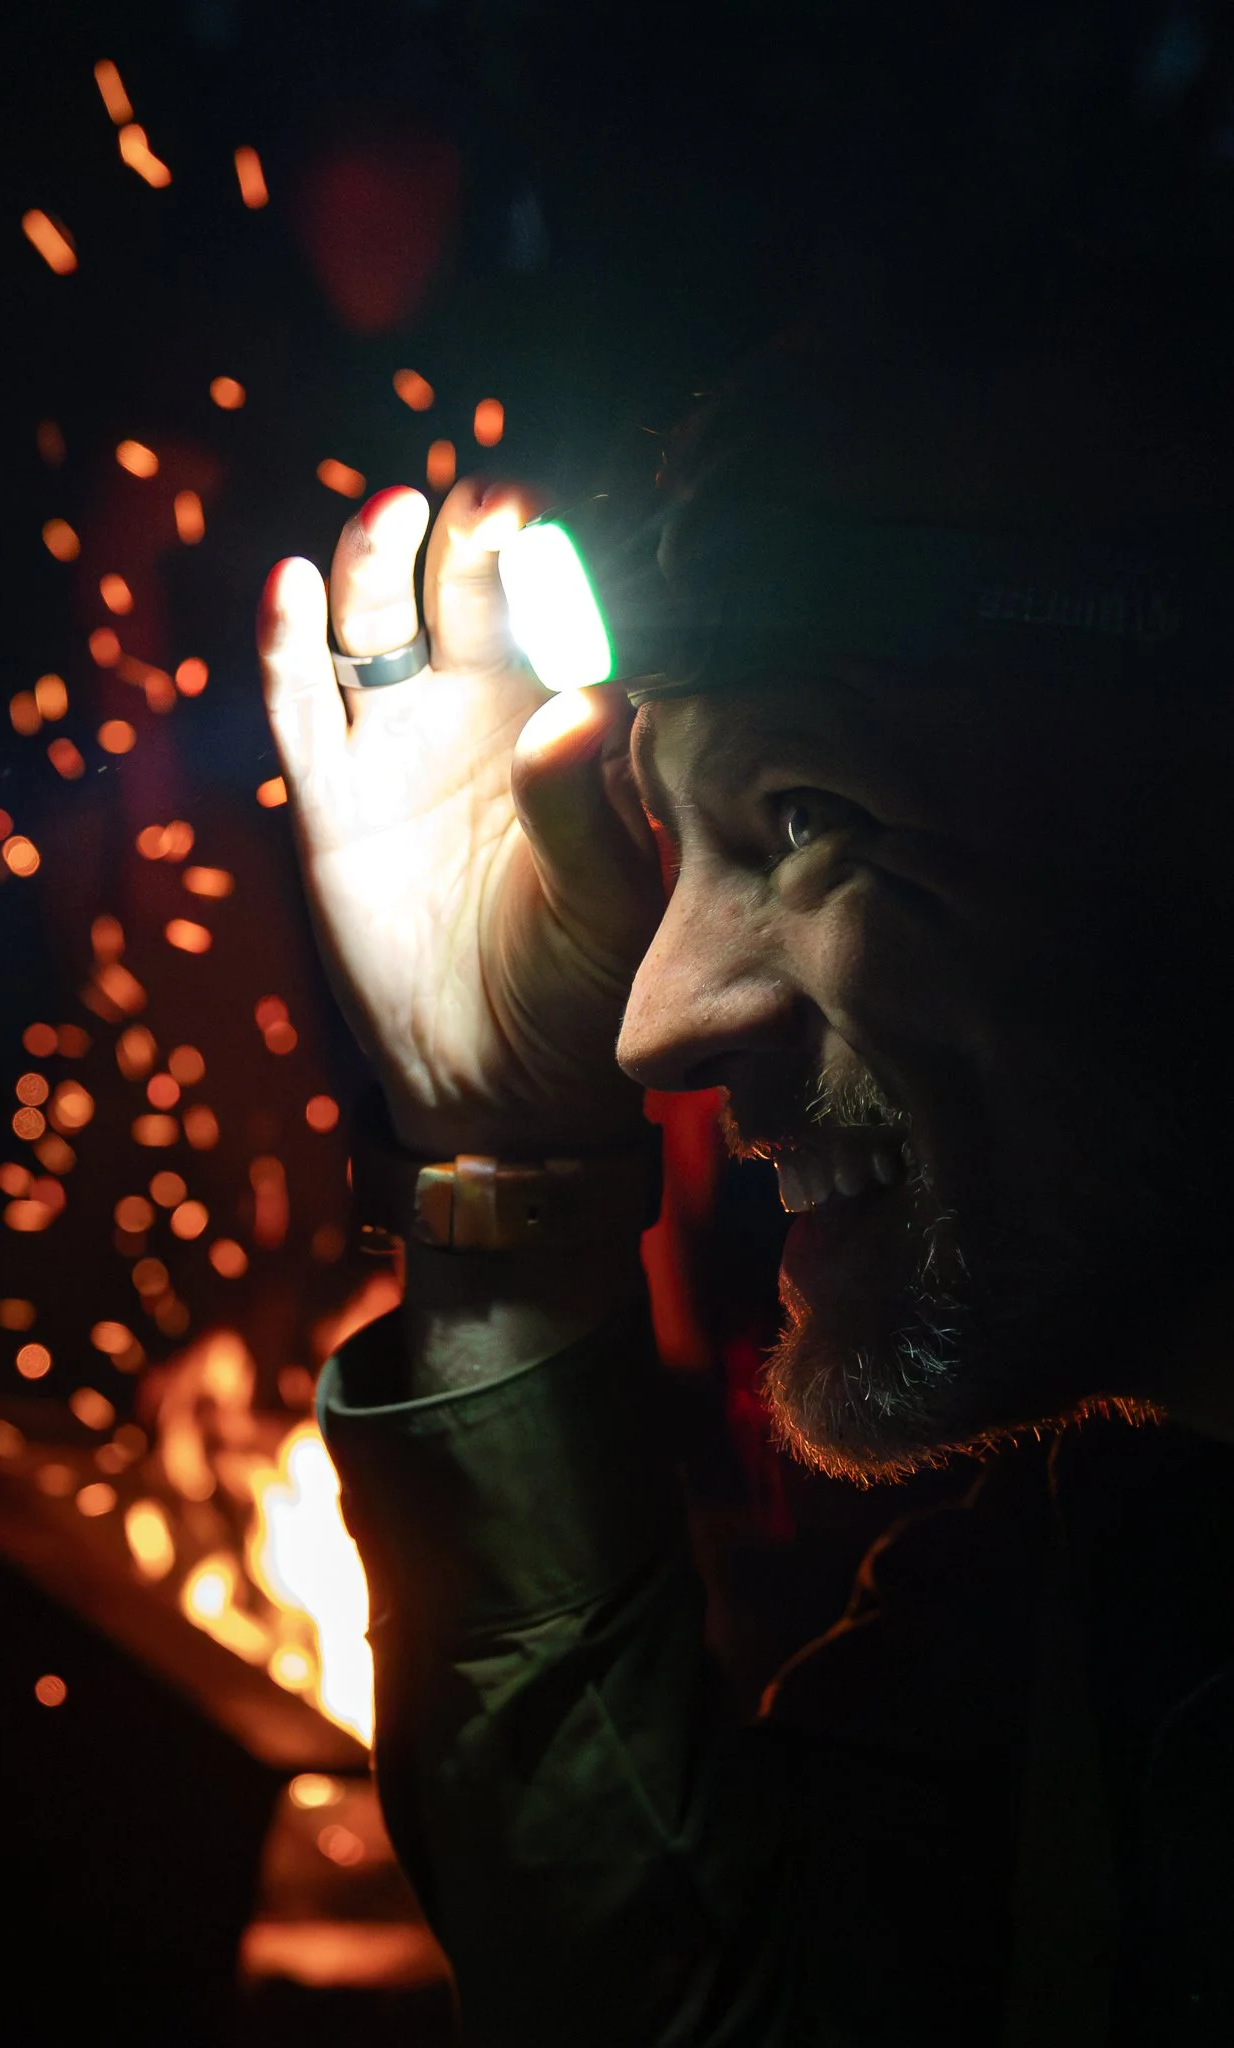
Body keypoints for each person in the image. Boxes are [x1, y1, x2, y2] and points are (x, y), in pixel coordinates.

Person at [256, 288, 1234, 2045]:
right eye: (670, 833)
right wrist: (498, 1157)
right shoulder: (1099, 1574)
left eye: (809, 818)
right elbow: (701, 2008)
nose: (653, 1027)